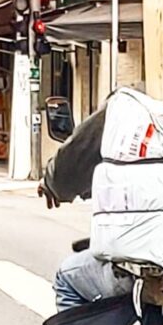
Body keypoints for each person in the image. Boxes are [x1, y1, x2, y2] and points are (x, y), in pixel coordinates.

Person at [38, 101, 134, 312]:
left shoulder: (135, 101)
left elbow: (76, 158)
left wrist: (52, 183)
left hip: (146, 270)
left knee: (68, 278)